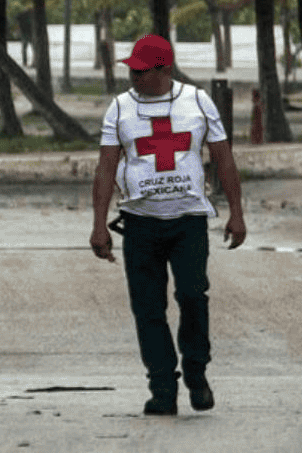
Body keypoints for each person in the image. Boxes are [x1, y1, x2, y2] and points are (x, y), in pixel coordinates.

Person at [89, 33, 247, 416]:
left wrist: (237, 213)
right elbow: (107, 166)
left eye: (141, 71)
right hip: (140, 223)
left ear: (163, 70)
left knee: (193, 296)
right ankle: (162, 386)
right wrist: (98, 225)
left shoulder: (196, 101)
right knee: (148, 308)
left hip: (189, 221)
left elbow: (223, 157)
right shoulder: (120, 108)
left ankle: (196, 371)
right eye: (132, 70)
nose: (134, 77)